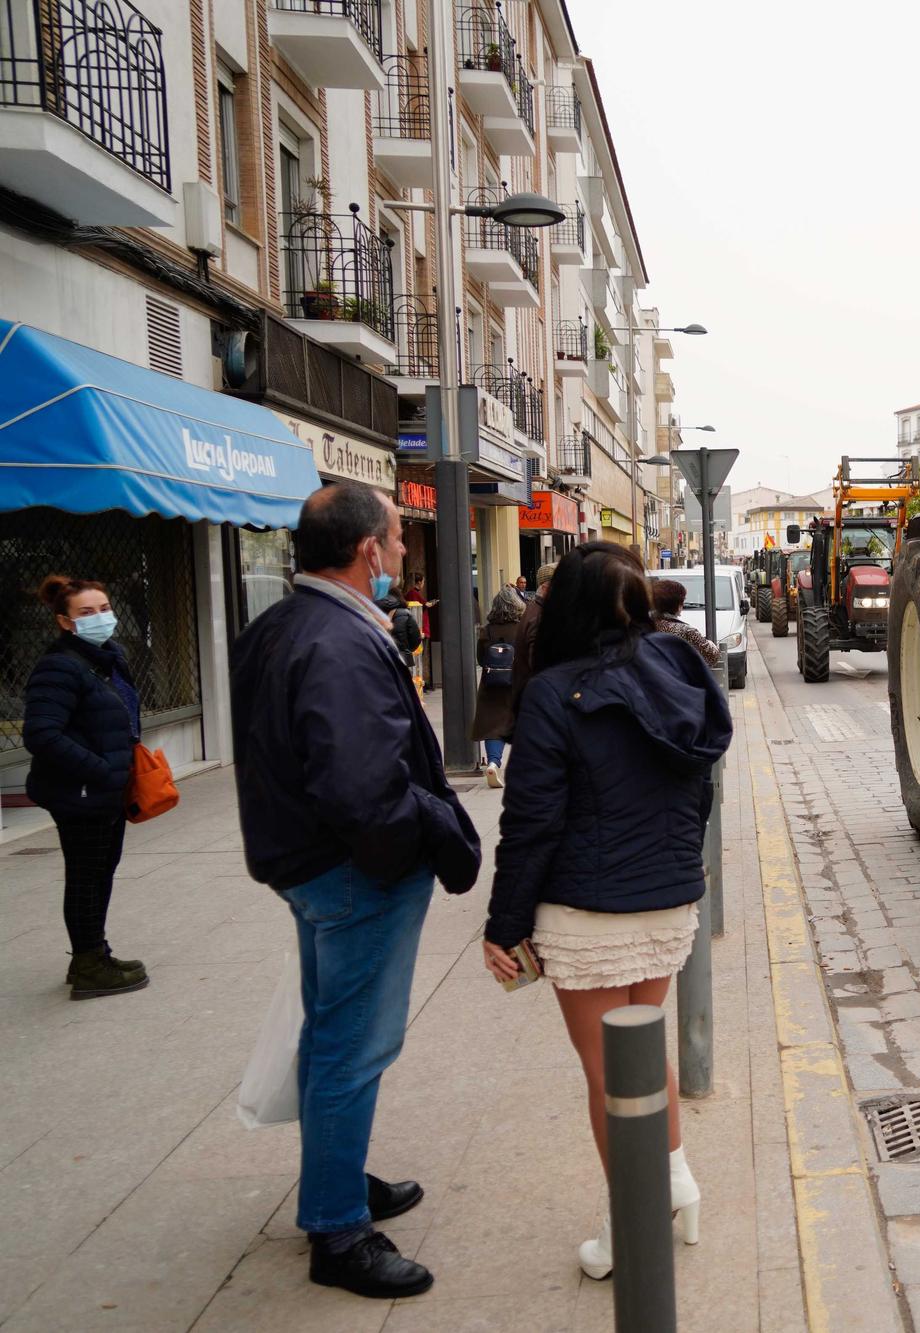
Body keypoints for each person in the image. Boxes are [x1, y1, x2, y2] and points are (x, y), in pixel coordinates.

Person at [230, 481, 481, 1299]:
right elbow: (363, 790)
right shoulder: (336, 640)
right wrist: (441, 839)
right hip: (352, 874)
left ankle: (338, 1176)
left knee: (332, 1038)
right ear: (370, 550)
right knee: (350, 1047)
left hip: (309, 865)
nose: (407, 553)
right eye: (402, 540)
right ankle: (337, 1229)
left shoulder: (285, 624)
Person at [482, 542, 732, 1278]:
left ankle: (630, 1223)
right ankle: (675, 1175)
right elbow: (700, 788)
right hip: (668, 906)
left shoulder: (554, 692)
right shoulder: (679, 669)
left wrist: (504, 926)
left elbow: (529, 823)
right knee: (639, 1050)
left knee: (605, 1073)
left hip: (590, 914)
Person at [23, 574, 150, 999]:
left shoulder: (107, 658)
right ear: (64, 621)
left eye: (104, 608)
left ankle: (94, 953)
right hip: (81, 793)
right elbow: (41, 734)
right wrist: (100, 771)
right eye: (86, 612)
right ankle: (89, 965)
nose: (100, 618)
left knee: (99, 873)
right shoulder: (59, 666)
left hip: (105, 790)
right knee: (85, 876)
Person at [472, 586, 527, 786]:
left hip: (492, 683)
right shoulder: (522, 627)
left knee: (493, 725)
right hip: (517, 681)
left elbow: (480, 658)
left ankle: (494, 763)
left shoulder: (487, 630)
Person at [506, 560, 561, 733]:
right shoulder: (539, 618)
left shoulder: (534, 610)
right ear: (546, 587)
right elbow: (539, 665)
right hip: (540, 710)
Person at [650, 577, 725, 670]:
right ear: (677, 604)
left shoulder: (644, 626)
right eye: (682, 601)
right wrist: (711, 644)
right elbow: (712, 657)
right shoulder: (686, 631)